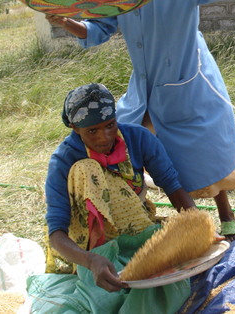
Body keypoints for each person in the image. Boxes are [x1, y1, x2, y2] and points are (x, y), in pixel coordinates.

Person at [46, 0, 235, 240]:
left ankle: (225, 216)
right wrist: (67, 23)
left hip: (186, 75)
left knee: (199, 148)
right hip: (145, 84)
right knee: (129, 144)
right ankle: (145, 216)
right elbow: (101, 27)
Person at [45, 83, 199, 298]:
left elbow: (171, 185)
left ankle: (131, 248)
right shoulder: (63, 160)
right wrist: (91, 260)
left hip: (135, 226)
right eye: (92, 131)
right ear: (74, 127)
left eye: (110, 125)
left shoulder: (138, 138)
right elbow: (56, 231)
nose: (104, 136)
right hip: (87, 246)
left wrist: (199, 225)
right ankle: (105, 254)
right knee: (86, 169)